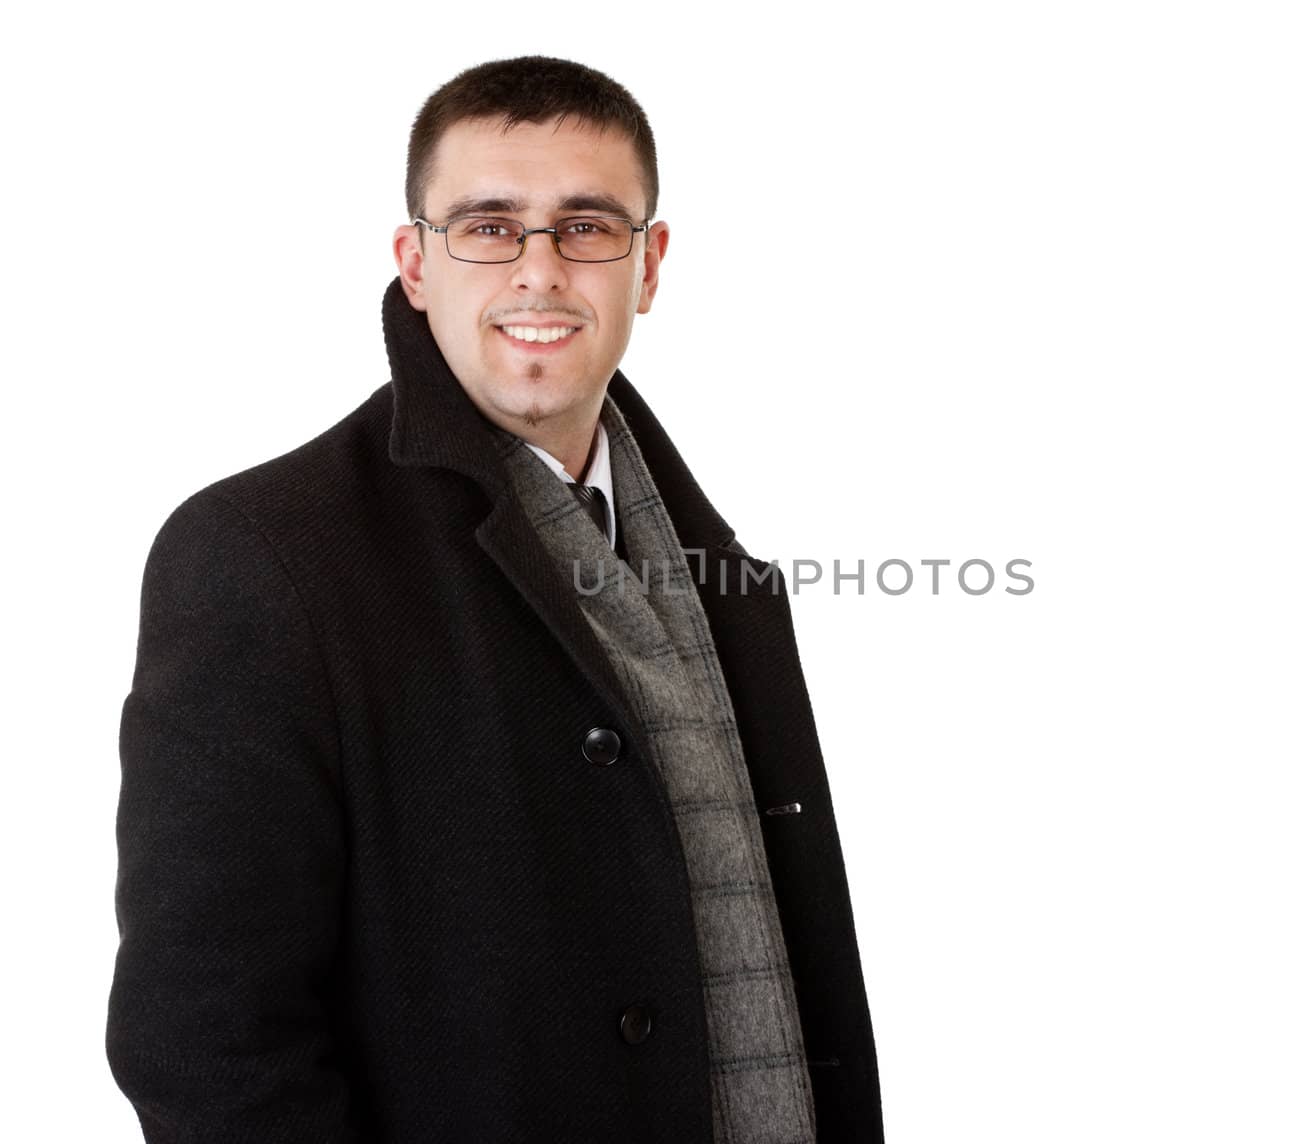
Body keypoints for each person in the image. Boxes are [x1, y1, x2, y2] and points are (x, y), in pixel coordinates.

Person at [106, 56, 883, 1143]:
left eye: (585, 226)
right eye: (486, 225)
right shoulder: (262, 553)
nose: (538, 271)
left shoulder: (725, 580)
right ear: (414, 263)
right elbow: (203, 1036)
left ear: (649, 264)